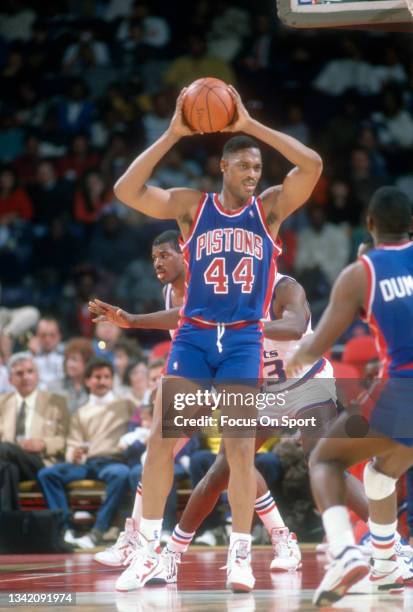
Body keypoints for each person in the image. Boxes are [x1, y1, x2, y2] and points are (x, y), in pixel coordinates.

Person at [97, 86, 322, 592]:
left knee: (240, 451)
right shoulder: (190, 208)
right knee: (161, 443)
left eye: (257, 167)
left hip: (244, 339)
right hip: (195, 335)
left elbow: (311, 166)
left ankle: (240, 555)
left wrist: (253, 123)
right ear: (223, 167)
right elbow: (125, 191)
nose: (253, 173)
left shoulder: (268, 211)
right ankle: (149, 549)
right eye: (243, 164)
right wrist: (173, 133)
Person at [285, 186, 413, 606]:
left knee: (324, 458)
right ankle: (386, 560)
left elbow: (317, 344)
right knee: (380, 474)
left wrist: (293, 361)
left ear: (370, 225)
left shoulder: (361, 272)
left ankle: (343, 552)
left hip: (403, 389)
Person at [37, 358, 134, 548]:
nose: (103, 381)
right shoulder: (81, 412)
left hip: (113, 461)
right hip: (87, 463)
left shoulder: (126, 405)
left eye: (107, 377)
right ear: (88, 381)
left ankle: (98, 530)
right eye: (98, 377)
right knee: (47, 474)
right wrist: (73, 454)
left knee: (121, 473)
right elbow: (73, 442)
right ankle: (66, 528)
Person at [0, 352, 68, 511]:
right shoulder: (2, 403)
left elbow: (65, 439)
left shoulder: (56, 402)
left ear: (37, 376)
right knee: (7, 469)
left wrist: (43, 444)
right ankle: (9, 527)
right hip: (10, 460)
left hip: (40, 461)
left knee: (4, 448)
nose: (26, 377)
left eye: (30, 372)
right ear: (10, 380)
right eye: (19, 373)